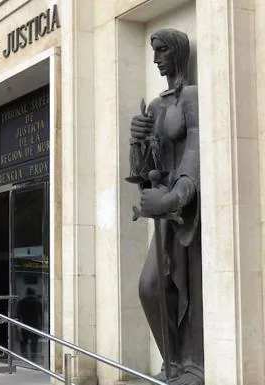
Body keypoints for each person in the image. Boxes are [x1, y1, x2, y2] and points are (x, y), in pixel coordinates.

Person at [129, 28, 202, 385]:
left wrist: (175, 196)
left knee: (190, 288)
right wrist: (137, 139)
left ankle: (192, 365)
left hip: (186, 208)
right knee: (150, 286)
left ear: (177, 52)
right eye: (154, 51)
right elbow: (142, 171)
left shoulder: (190, 97)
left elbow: (195, 152)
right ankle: (171, 363)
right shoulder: (156, 106)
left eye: (162, 51)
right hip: (162, 210)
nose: (156, 58)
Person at [16, 288, 42, 360]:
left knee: (24, 342)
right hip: (35, 325)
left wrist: (17, 325)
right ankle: (33, 359)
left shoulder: (21, 302)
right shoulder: (37, 302)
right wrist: (41, 325)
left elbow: (18, 315)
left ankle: (24, 358)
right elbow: (41, 315)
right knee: (34, 343)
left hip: (24, 324)